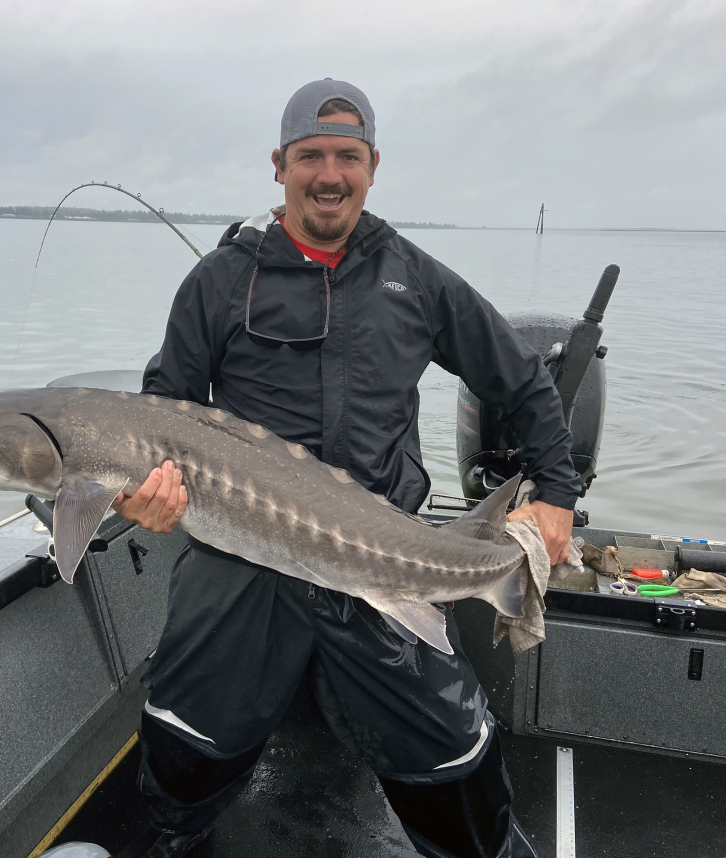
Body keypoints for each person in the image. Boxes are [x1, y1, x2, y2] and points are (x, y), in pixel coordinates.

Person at [112, 79, 581, 858]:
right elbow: (159, 412)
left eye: (346, 157)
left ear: (370, 166)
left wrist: (557, 492)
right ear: (279, 165)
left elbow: (521, 380)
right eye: (310, 156)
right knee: (183, 738)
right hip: (241, 558)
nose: (328, 174)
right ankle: (171, 838)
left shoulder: (416, 279)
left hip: (381, 556)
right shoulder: (219, 282)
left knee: (453, 758)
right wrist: (143, 496)